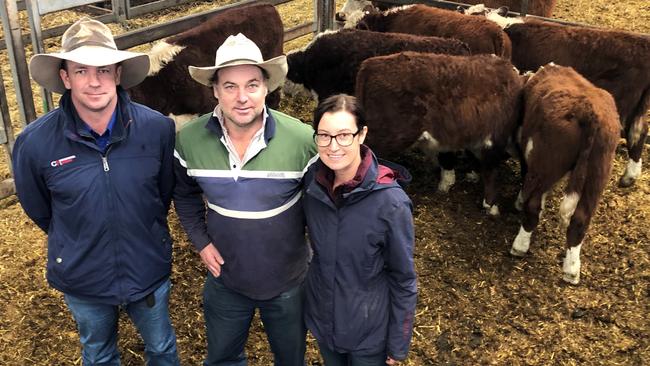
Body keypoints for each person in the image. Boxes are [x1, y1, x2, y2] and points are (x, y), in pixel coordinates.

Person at [12, 17, 179, 365]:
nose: (93, 82)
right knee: (99, 353)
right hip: (82, 271)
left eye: (103, 70)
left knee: (161, 347)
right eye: (81, 70)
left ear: (118, 74)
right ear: (65, 77)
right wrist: (78, 235)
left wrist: (142, 229)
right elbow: (39, 208)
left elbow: (161, 194)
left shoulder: (156, 129)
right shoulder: (35, 143)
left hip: (145, 263)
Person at [173, 33, 317, 365]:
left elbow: (320, 206)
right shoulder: (189, 140)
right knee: (222, 357)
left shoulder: (301, 139)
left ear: (267, 87)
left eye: (252, 85)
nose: (242, 98)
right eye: (230, 86)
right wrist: (200, 241)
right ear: (214, 90)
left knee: (291, 358)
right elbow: (184, 193)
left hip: (288, 282)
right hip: (226, 280)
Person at [303, 94, 417, 365]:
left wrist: (398, 343)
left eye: (344, 135)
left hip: (368, 334)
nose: (333, 146)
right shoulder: (313, 185)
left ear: (362, 134)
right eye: (324, 136)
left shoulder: (391, 203)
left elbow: (404, 278)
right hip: (325, 323)